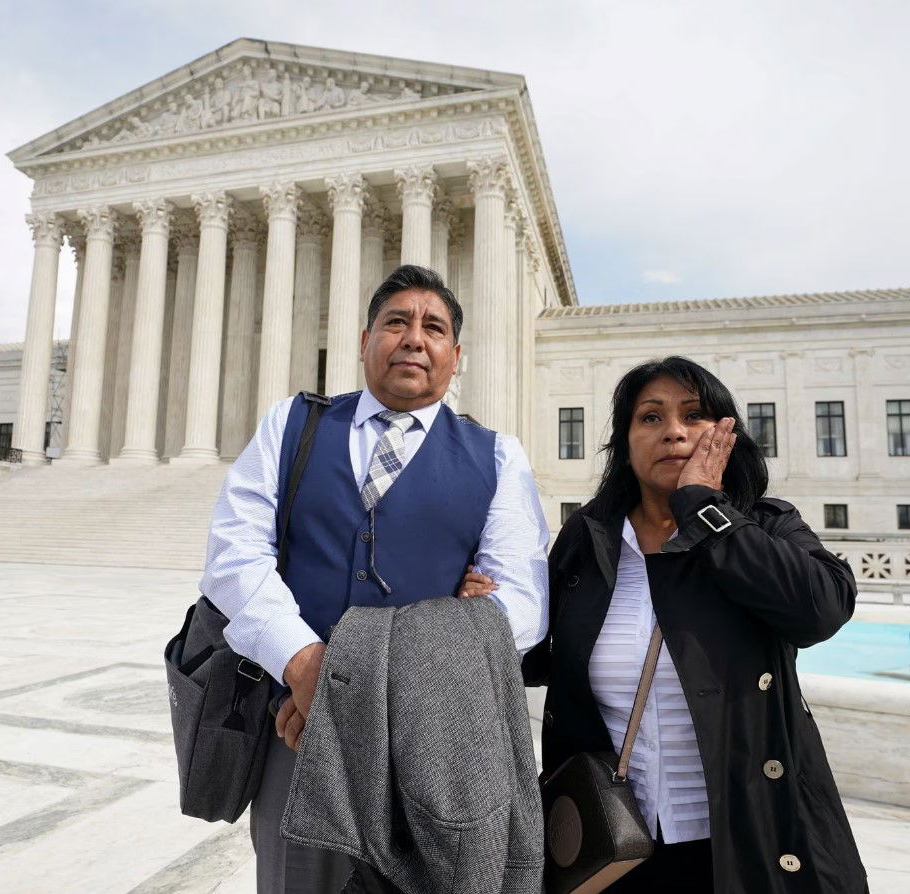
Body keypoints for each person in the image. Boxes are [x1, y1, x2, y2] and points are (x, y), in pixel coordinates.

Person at [200, 264, 550, 894]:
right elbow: (234, 558)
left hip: (433, 736)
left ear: (455, 356)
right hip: (297, 729)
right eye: (396, 322)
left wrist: (372, 687)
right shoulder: (294, 427)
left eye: (433, 327)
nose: (414, 338)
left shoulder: (499, 456)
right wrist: (305, 666)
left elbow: (521, 606)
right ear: (363, 342)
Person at [464, 356, 868, 893]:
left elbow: (822, 608)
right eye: (650, 417)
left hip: (748, 840)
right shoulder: (588, 542)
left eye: (694, 415)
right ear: (625, 443)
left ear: (724, 434)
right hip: (616, 841)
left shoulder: (763, 527)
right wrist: (486, 610)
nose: (674, 431)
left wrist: (703, 508)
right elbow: (540, 658)